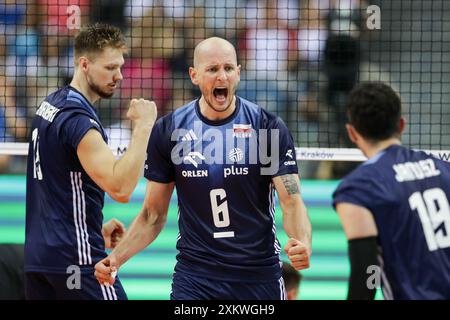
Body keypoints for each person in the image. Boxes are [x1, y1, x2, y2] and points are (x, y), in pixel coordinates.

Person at [95, 37, 312, 300]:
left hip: (257, 276)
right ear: (194, 75)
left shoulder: (266, 127)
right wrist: (115, 259)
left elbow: (291, 200)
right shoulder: (170, 130)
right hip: (196, 278)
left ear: (239, 74)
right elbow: (153, 215)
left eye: (229, 69)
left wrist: (303, 242)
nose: (222, 77)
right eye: (212, 69)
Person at [25, 23, 157, 300]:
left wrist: (92, 227)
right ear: (84, 64)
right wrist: (144, 126)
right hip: (77, 260)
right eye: (110, 68)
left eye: (120, 67)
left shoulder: (49, 105)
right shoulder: (78, 120)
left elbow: (56, 188)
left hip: (39, 260)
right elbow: (120, 189)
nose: (119, 76)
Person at [332, 82, 450, 300]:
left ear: (352, 132)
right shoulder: (444, 169)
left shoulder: (357, 189)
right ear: (401, 124)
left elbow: (367, 274)